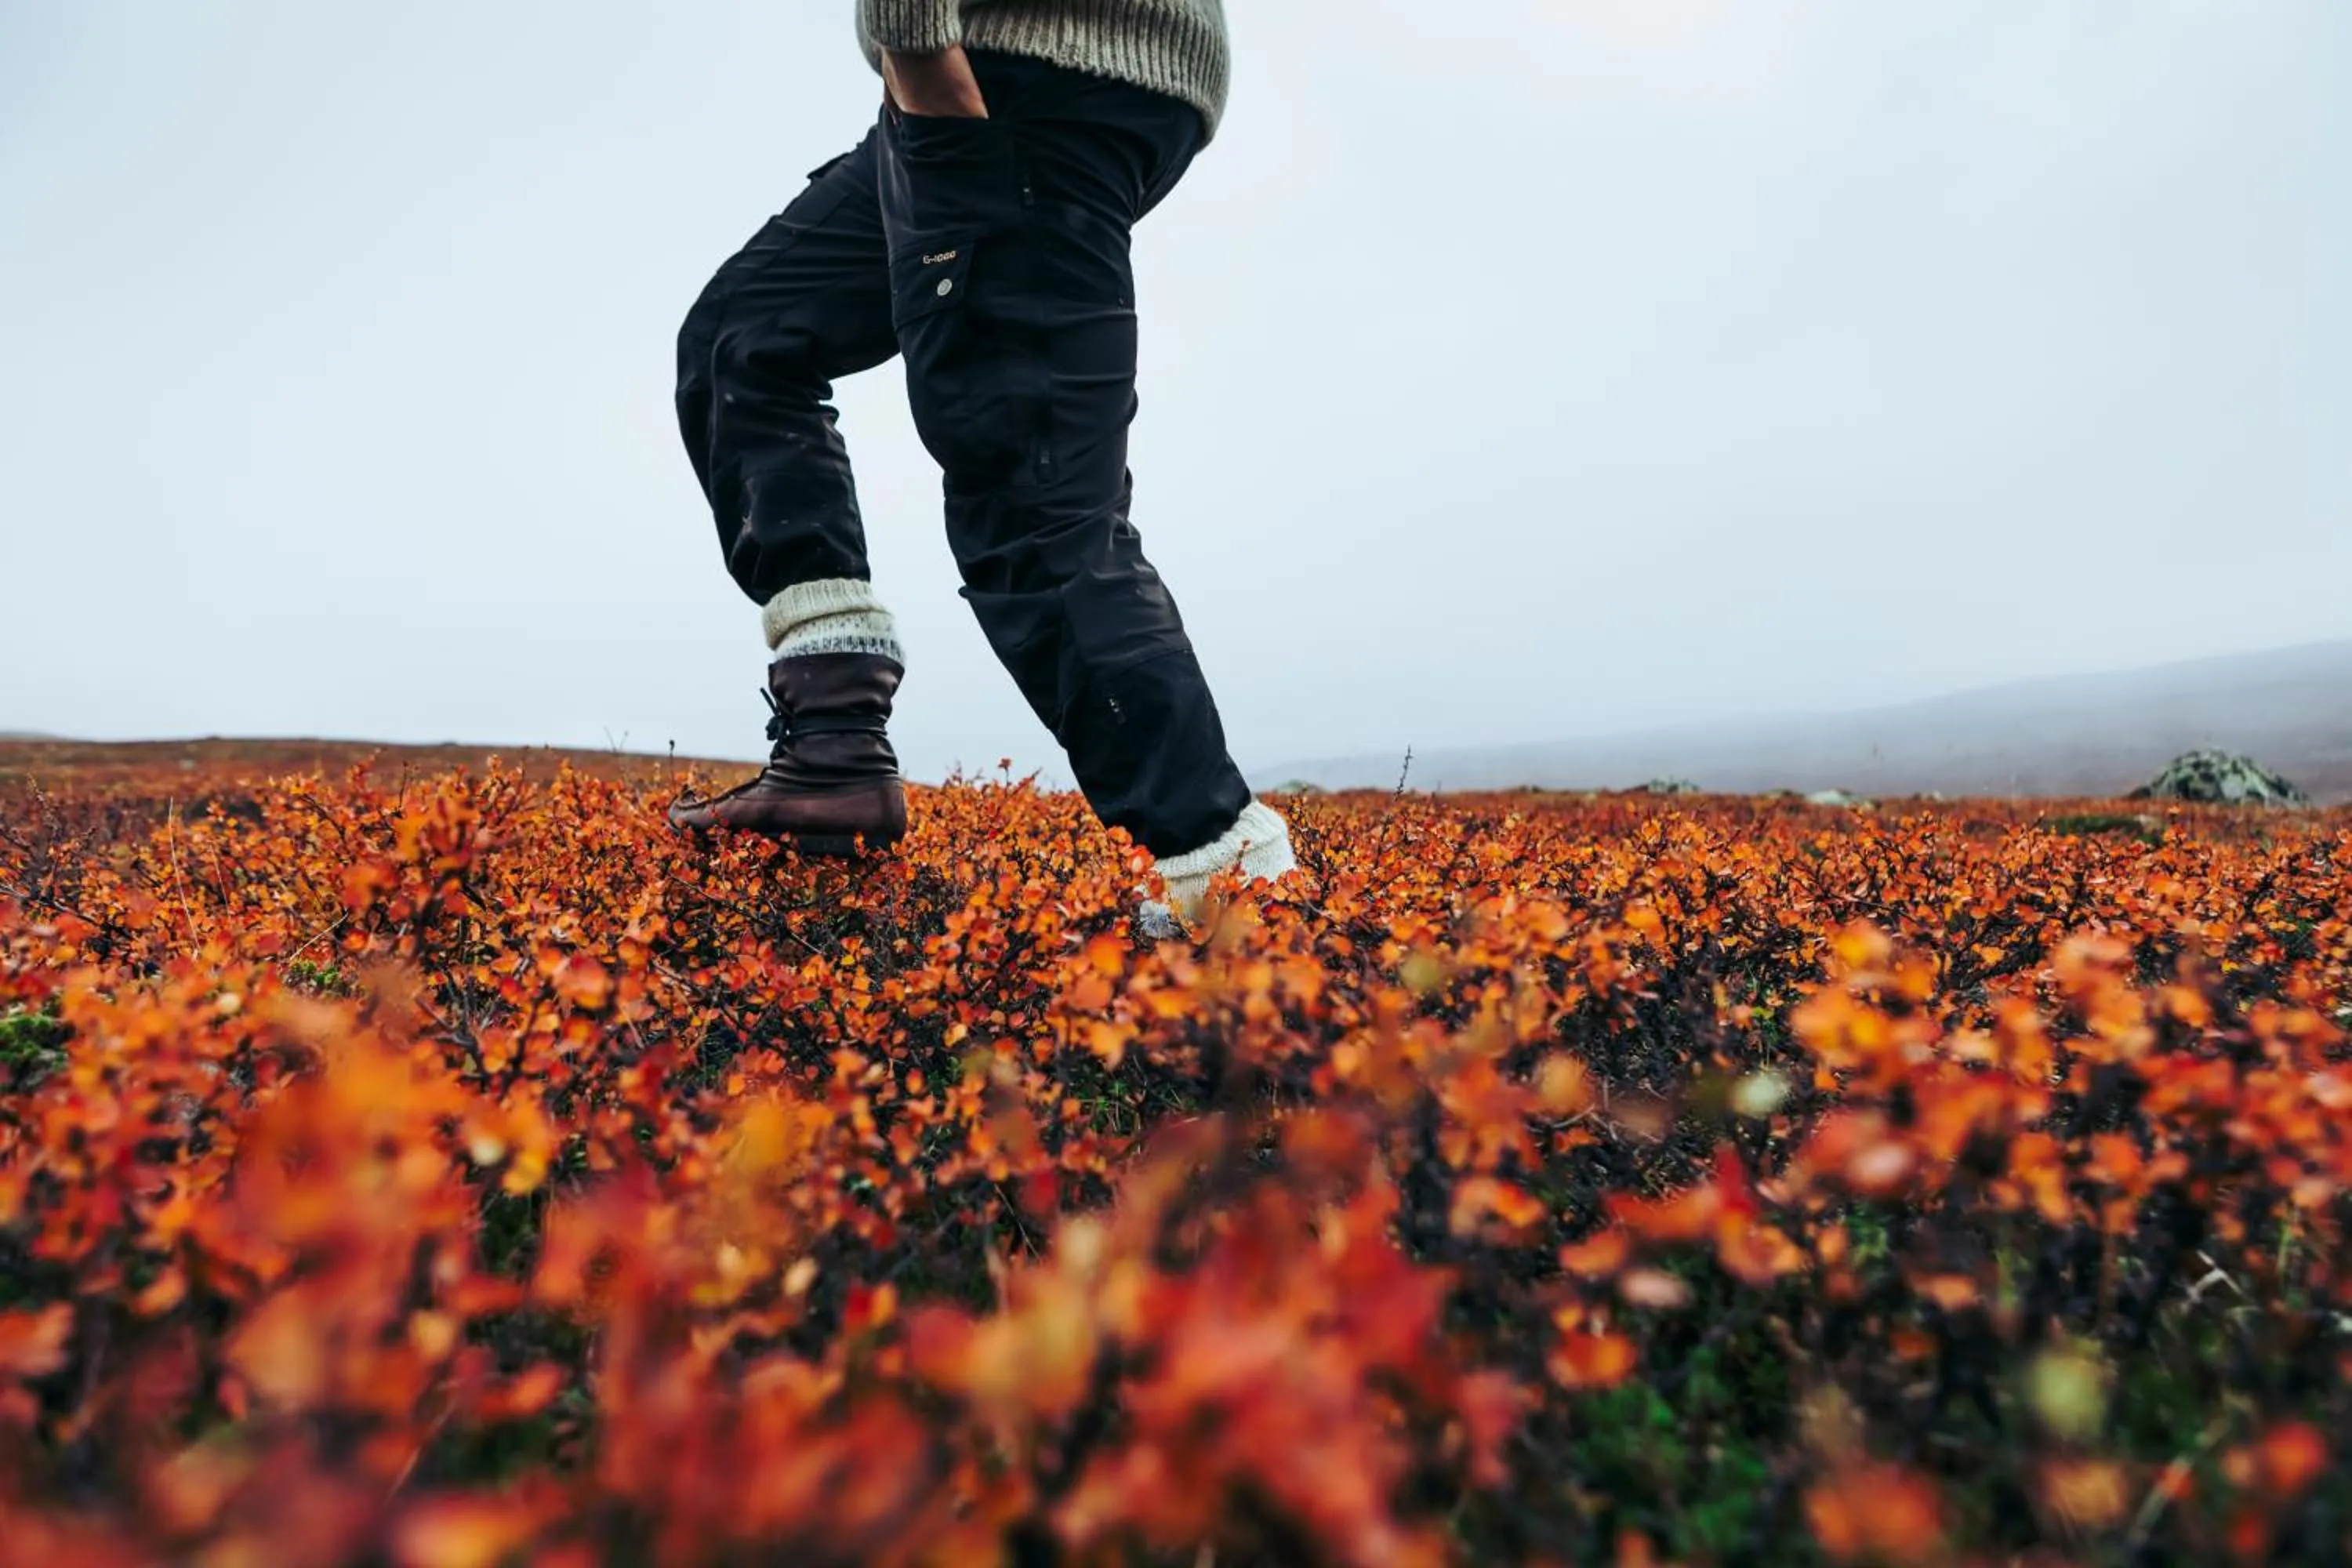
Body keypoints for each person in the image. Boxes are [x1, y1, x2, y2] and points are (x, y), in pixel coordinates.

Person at [668, 1, 1294, 927]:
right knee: (745, 337)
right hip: (1016, 78)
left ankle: (1233, 887)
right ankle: (832, 742)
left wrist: (915, 47)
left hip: (1018, 84)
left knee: (1033, 503)